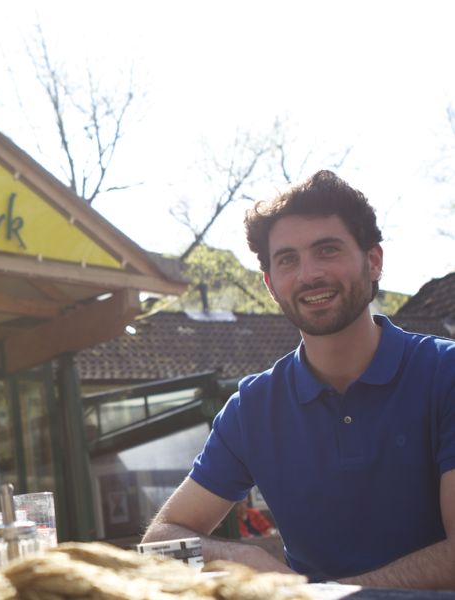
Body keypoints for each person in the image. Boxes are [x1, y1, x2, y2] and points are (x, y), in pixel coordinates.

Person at [142, 171, 455, 588]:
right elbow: (158, 546)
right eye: (288, 259)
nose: (309, 275)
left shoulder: (445, 373)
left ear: (374, 261)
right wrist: (242, 556)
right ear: (271, 284)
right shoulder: (253, 409)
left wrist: (327, 597)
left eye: (327, 250)